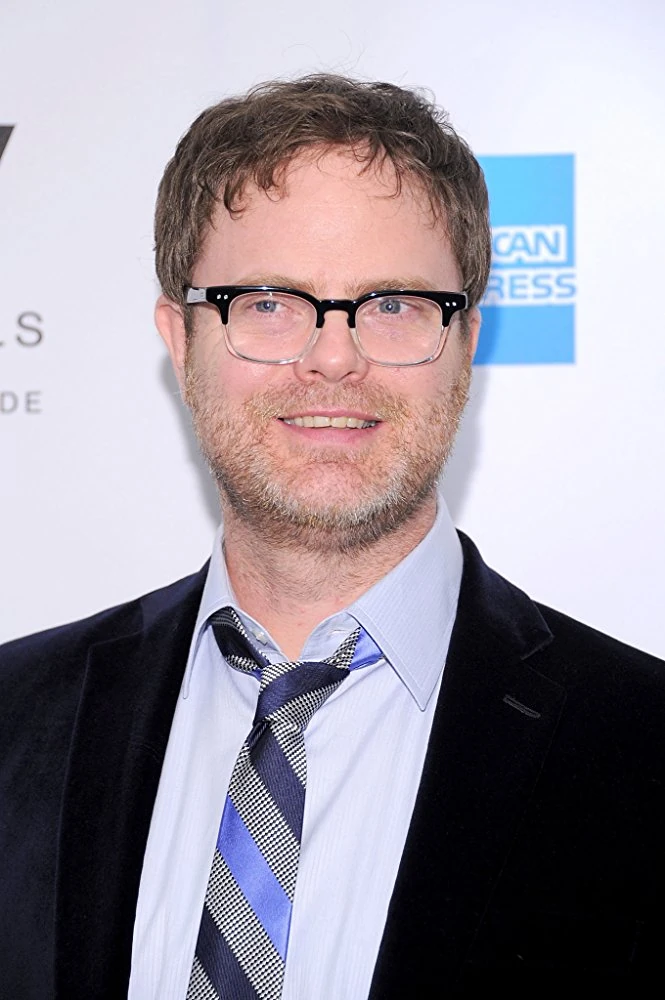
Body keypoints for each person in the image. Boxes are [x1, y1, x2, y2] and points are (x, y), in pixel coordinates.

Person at [1, 74, 663, 1000]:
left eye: (392, 304)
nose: (334, 356)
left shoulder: (641, 747)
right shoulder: (16, 716)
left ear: (465, 345)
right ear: (180, 341)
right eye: (268, 302)